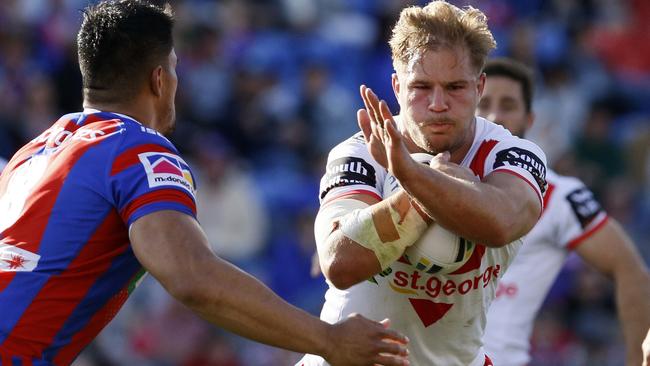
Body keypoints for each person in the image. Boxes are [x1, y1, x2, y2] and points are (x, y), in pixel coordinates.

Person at [0, 2, 411, 366]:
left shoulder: (33, 151)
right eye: (176, 68)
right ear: (160, 80)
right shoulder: (139, 151)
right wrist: (328, 340)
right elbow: (192, 277)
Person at [298, 2, 547, 365]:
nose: (438, 103)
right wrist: (420, 193)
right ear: (397, 86)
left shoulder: (511, 154)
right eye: (421, 86)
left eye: (455, 87)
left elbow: (502, 222)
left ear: (480, 87)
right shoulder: (359, 153)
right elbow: (340, 264)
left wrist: (412, 176)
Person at [478, 57, 650, 366]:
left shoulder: (559, 197)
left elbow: (631, 270)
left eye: (507, 105)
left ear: (529, 119)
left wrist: (639, 361)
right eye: (483, 104)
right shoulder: (431, 181)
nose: (494, 116)